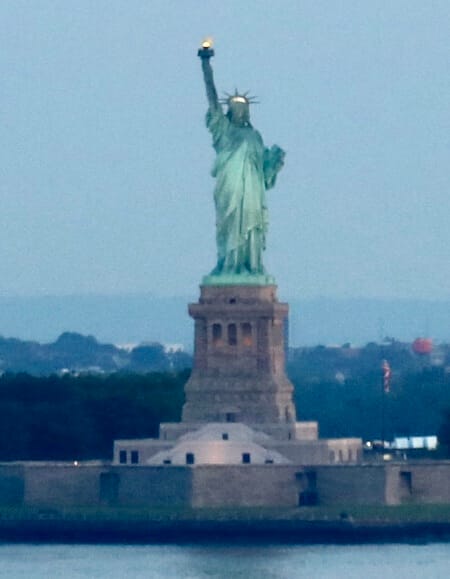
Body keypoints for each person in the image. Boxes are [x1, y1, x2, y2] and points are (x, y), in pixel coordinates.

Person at [199, 46, 285, 276]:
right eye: (235, 107)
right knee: (229, 226)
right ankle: (229, 265)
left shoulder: (255, 136)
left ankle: (251, 266)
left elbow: (264, 175)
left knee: (251, 225)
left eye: (242, 108)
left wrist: (274, 165)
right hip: (231, 186)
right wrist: (206, 64)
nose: (239, 111)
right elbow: (212, 100)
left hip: (253, 191)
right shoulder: (223, 130)